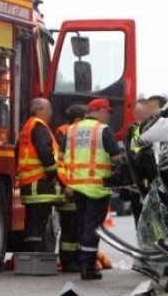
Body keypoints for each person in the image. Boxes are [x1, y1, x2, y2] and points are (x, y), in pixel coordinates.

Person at [61, 98, 123, 280]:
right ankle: (88, 266)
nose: (109, 116)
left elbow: (62, 158)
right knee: (92, 226)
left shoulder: (71, 130)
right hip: (97, 186)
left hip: (76, 186)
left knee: (83, 225)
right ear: (98, 111)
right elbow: (117, 158)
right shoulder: (102, 130)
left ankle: (84, 262)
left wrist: (67, 183)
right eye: (107, 112)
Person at [16, 98, 64, 253]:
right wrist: (52, 173)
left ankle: (32, 256)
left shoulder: (28, 127)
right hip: (39, 183)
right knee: (38, 221)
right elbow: (44, 151)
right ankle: (36, 255)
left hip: (30, 182)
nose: (51, 113)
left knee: (33, 221)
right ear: (39, 110)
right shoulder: (38, 127)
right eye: (48, 109)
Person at [54, 104, 87, 272]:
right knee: (70, 228)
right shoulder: (65, 133)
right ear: (77, 120)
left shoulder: (74, 133)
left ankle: (75, 260)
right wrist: (66, 185)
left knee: (76, 227)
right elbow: (62, 163)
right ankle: (68, 261)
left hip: (78, 187)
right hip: (69, 188)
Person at [123, 98, 150, 224]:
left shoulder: (133, 131)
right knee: (141, 219)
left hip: (144, 183)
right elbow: (132, 159)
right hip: (139, 185)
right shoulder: (133, 131)